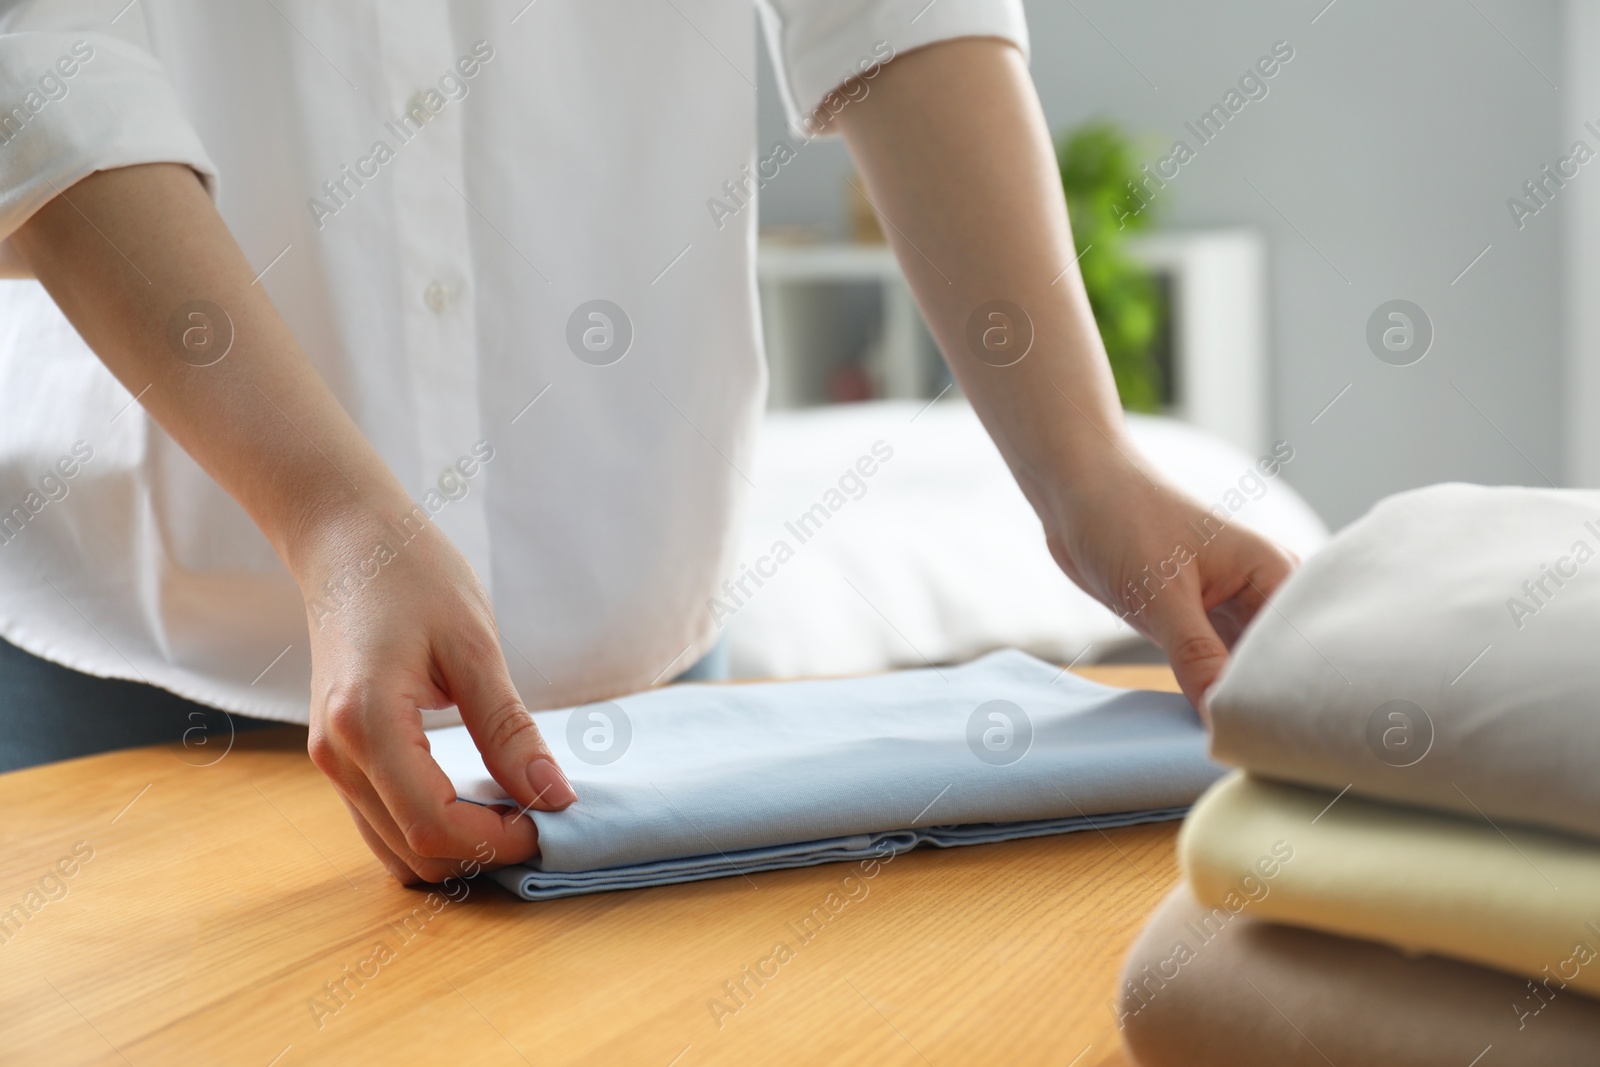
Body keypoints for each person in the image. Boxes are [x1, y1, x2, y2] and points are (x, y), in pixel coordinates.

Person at [0, 1, 1294, 883]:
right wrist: (329, 513)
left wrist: (1086, 466)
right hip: (141, 681)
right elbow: (47, 58)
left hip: (636, 676)